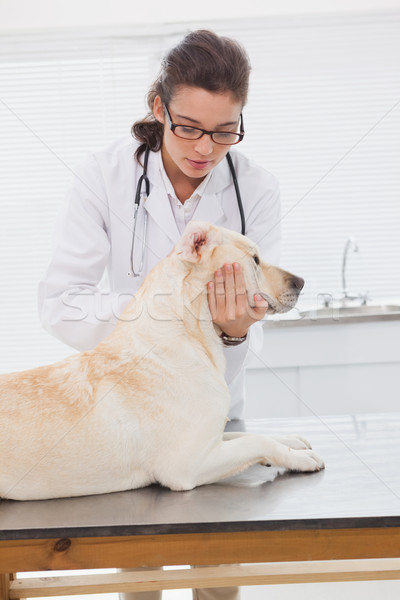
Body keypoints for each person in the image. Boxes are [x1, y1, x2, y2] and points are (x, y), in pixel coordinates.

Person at [38, 29, 281, 600]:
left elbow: (253, 305)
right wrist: (161, 314)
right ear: (158, 107)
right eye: (189, 127)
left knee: (219, 574)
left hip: (216, 409)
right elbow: (61, 302)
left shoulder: (256, 189)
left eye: (225, 132)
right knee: (139, 578)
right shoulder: (103, 178)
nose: (205, 148)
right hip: (129, 420)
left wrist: (235, 327)